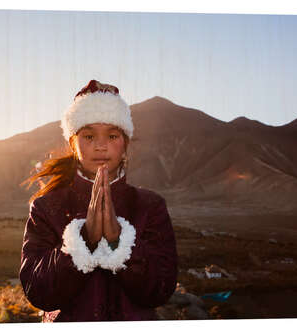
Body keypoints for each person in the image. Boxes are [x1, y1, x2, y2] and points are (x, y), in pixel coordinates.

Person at [19, 79, 178, 322]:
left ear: (125, 144)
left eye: (112, 135)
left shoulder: (150, 206)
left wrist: (120, 243)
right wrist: (82, 242)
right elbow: (38, 292)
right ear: (73, 144)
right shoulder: (46, 207)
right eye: (89, 136)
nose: (101, 146)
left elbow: (160, 290)